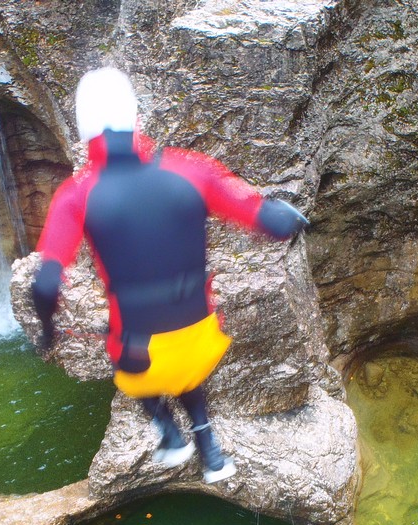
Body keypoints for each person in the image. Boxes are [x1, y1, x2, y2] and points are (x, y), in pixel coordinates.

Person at [30, 67, 309, 483]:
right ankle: (210, 450)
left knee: (129, 354)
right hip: (203, 341)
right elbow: (267, 217)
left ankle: (169, 435)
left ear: (85, 132)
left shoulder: (76, 195)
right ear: (136, 120)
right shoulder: (190, 169)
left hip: (142, 357)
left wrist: (48, 331)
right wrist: (293, 218)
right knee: (183, 362)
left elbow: (46, 285)